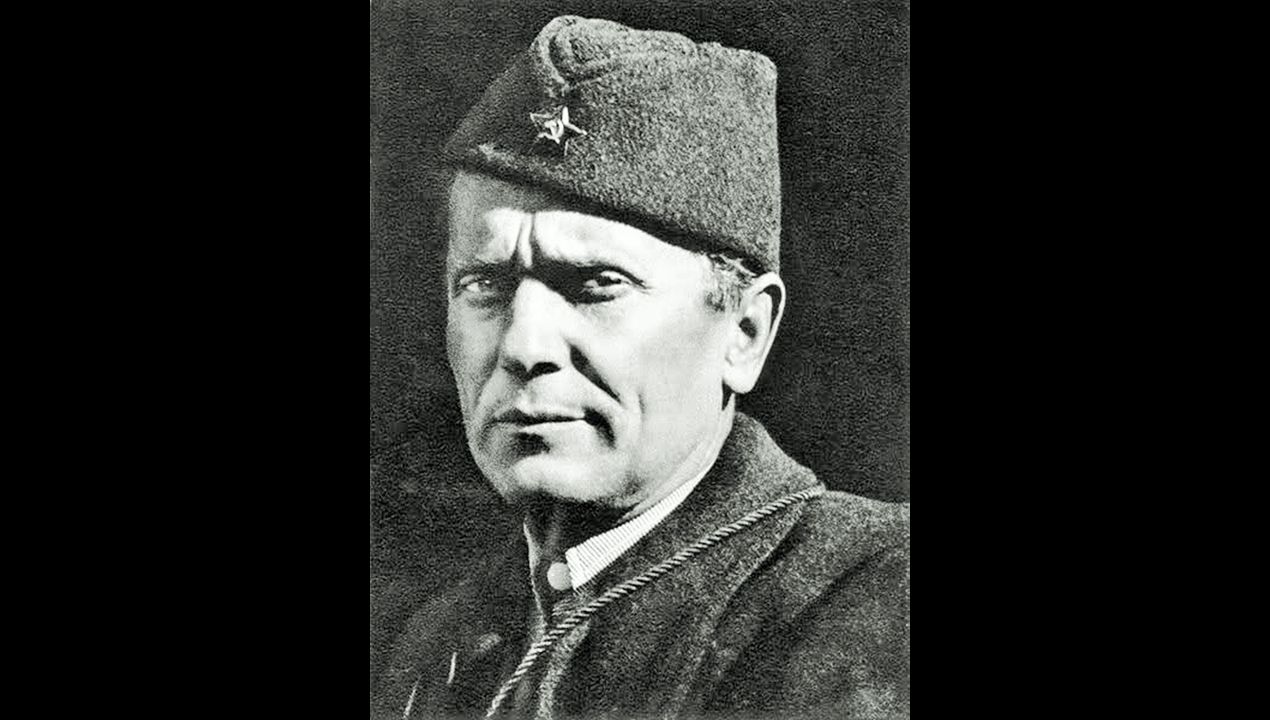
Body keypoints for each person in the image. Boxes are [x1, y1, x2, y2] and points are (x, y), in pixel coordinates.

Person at [371, 15, 909, 720]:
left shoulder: (879, 601)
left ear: (744, 332)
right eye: (484, 286)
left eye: (597, 285)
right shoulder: (431, 643)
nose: (524, 346)